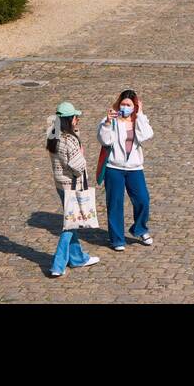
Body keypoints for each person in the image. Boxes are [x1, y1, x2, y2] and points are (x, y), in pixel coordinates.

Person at [46, 101, 101, 278]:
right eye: (76, 118)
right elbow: (78, 166)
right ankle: (58, 264)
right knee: (70, 224)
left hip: (60, 185)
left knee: (73, 221)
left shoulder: (52, 134)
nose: (78, 120)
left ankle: (77, 258)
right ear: (70, 119)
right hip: (72, 186)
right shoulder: (69, 141)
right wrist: (82, 152)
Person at [98, 90, 155, 250]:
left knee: (143, 199)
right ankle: (117, 239)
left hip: (134, 168)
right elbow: (104, 140)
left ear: (135, 106)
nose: (125, 107)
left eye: (129, 105)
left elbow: (146, 136)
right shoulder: (110, 120)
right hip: (114, 167)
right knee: (115, 203)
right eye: (123, 104)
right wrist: (107, 124)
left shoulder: (138, 120)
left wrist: (141, 114)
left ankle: (140, 229)